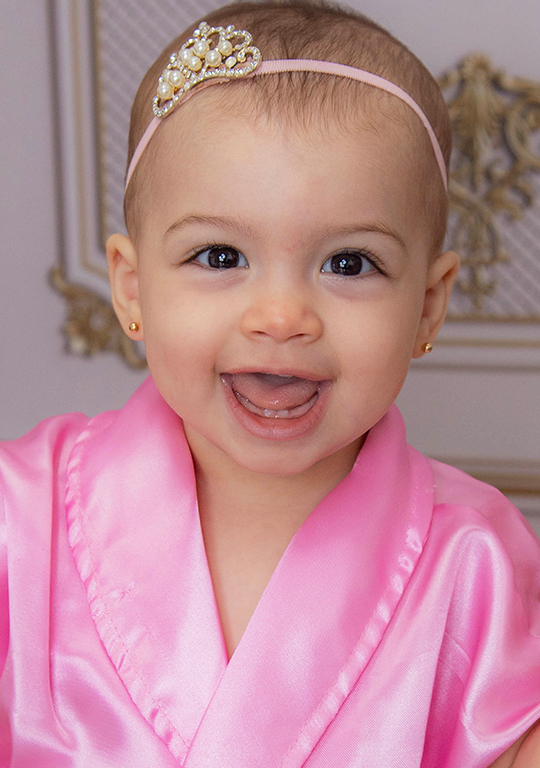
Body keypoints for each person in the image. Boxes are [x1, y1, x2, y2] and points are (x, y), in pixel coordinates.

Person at [1, 1, 539, 765]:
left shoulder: (478, 559)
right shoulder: (19, 517)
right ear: (131, 287)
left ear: (427, 303)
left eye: (349, 263)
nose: (282, 316)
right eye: (220, 257)